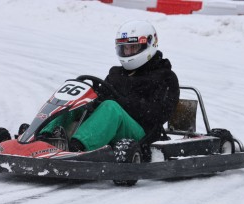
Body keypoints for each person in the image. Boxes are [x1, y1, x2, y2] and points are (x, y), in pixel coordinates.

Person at [43, 20, 180, 152]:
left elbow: (158, 114)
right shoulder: (116, 74)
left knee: (111, 107)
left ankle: (76, 148)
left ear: (149, 44)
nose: (128, 52)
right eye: (125, 48)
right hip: (112, 125)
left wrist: (121, 102)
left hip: (141, 133)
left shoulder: (165, 77)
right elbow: (101, 95)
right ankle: (43, 136)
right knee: (76, 102)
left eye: (133, 47)